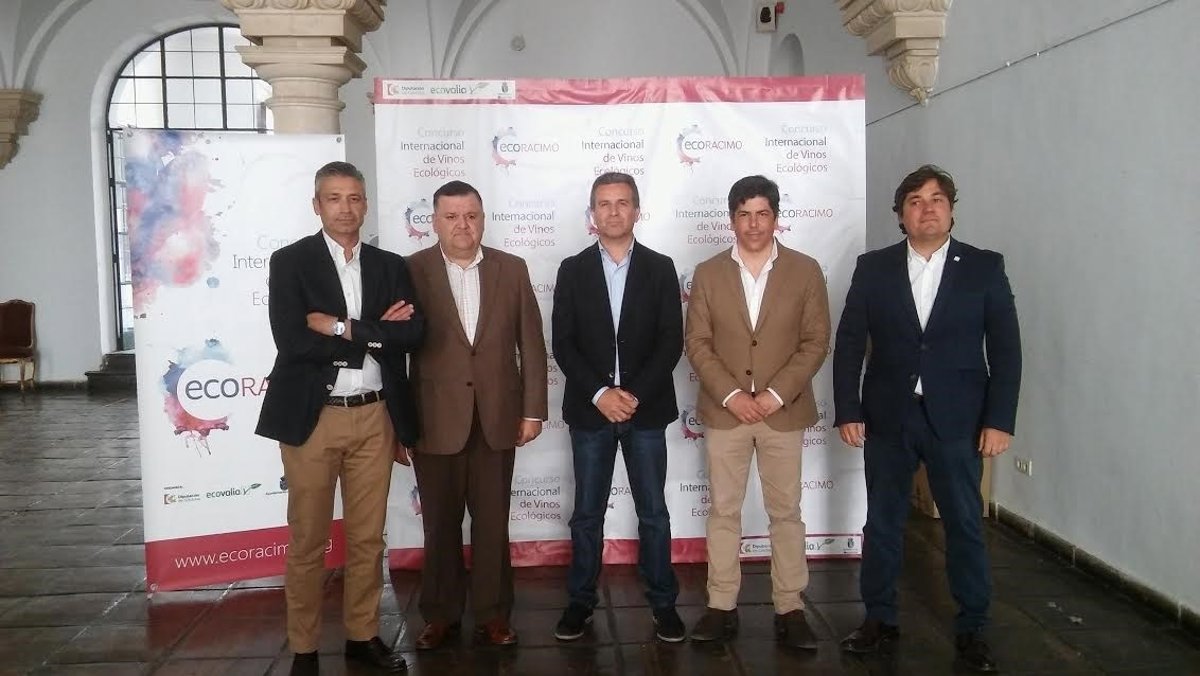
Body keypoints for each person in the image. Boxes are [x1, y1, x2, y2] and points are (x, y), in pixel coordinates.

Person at [833, 164, 1021, 673]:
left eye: (937, 199)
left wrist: (1000, 420)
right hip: (889, 417)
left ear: (952, 209)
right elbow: (849, 342)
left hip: (958, 419)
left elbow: (1006, 349)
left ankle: (972, 627)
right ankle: (879, 618)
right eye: (915, 201)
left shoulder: (984, 267)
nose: (927, 209)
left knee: (964, 523)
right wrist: (848, 409)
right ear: (901, 215)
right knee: (883, 521)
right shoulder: (874, 268)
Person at [257, 161, 422, 676]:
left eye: (354, 197)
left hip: (376, 417)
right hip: (313, 419)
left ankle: (362, 636)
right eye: (334, 198)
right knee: (308, 538)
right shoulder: (291, 261)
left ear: (365, 204)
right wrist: (372, 334)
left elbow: (410, 335)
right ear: (317, 205)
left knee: (368, 538)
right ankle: (304, 648)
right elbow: (292, 340)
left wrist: (339, 327)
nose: (345, 208)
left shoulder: (390, 265)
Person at [683, 174, 831, 648]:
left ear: (776, 217)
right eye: (744, 214)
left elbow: (816, 342)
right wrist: (733, 395)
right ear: (731, 219)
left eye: (762, 213)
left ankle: (790, 608)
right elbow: (697, 342)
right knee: (724, 512)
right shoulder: (708, 272)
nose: (753, 224)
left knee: (786, 513)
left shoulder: (805, 270)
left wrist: (773, 395)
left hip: (782, 413)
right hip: (726, 413)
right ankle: (720, 606)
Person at [405, 180, 548, 649]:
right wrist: (398, 424)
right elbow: (394, 352)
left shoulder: (512, 268)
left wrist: (533, 411)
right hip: (432, 420)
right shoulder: (410, 270)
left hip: (497, 418)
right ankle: (440, 615)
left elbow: (531, 344)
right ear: (434, 222)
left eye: (471, 216)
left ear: (483, 219)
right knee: (439, 525)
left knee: (492, 524)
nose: (462, 225)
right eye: (451, 217)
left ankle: (493, 614)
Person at [550, 172, 686, 643]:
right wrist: (600, 394)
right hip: (591, 412)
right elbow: (563, 343)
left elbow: (671, 341)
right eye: (604, 204)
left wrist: (632, 396)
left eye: (622, 202)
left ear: (637, 211)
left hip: (645, 411)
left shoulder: (661, 267)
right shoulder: (572, 269)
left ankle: (664, 604)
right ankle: (580, 602)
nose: (613, 211)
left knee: (654, 513)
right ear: (592, 214)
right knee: (587, 514)